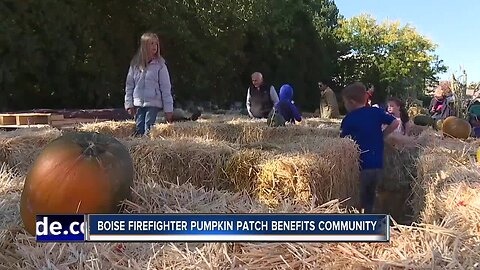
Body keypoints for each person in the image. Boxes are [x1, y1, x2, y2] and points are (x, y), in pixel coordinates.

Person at [340, 82, 400, 214]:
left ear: (352, 102)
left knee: (361, 197)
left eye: (345, 102)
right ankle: (373, 215)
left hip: (361, 166)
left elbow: (342, 142)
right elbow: (395, 122)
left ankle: (362, 221)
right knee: (373, 195)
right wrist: (383, 135)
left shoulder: (348, 119)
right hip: (378, 164)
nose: (345, 105)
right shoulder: (376, 112)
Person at [124, 32, 174, 136]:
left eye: (156, 44)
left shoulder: (160, 65)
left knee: (149, 127)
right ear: (144, 46)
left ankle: (148, 149)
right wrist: (129, 104)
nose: (154, 46)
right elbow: (129, 86)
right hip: (138, 103)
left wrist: (168, 109)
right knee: (139, 127)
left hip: (153, 103)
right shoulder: (135, 65)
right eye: (151, 44)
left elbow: (166, 88)